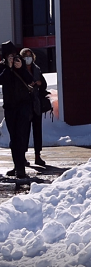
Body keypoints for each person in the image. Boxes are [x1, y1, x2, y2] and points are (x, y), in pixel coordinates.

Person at [0, 41, 35, 178]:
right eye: (10, 55)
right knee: (14, 137)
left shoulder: (20, 64)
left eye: (14, 55)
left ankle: (21, 168)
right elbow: (2, 80)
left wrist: (20, 68)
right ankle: (17, 166)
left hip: (23, 106)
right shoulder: (3, 67)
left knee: (20, 136)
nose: (12, 58)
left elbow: (30, 80)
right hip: (10, 107)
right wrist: (8, 68)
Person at [20, 48, 48, 166]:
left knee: (37, 131)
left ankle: (37, 155)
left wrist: (39, 84)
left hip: (36, 104)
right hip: (24, 105)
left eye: (30, 56)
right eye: (25, 56)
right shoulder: (20, 70)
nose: (28, 58)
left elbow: (44, 84)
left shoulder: (36, 69)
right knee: (24, 132)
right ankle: (23, 156)